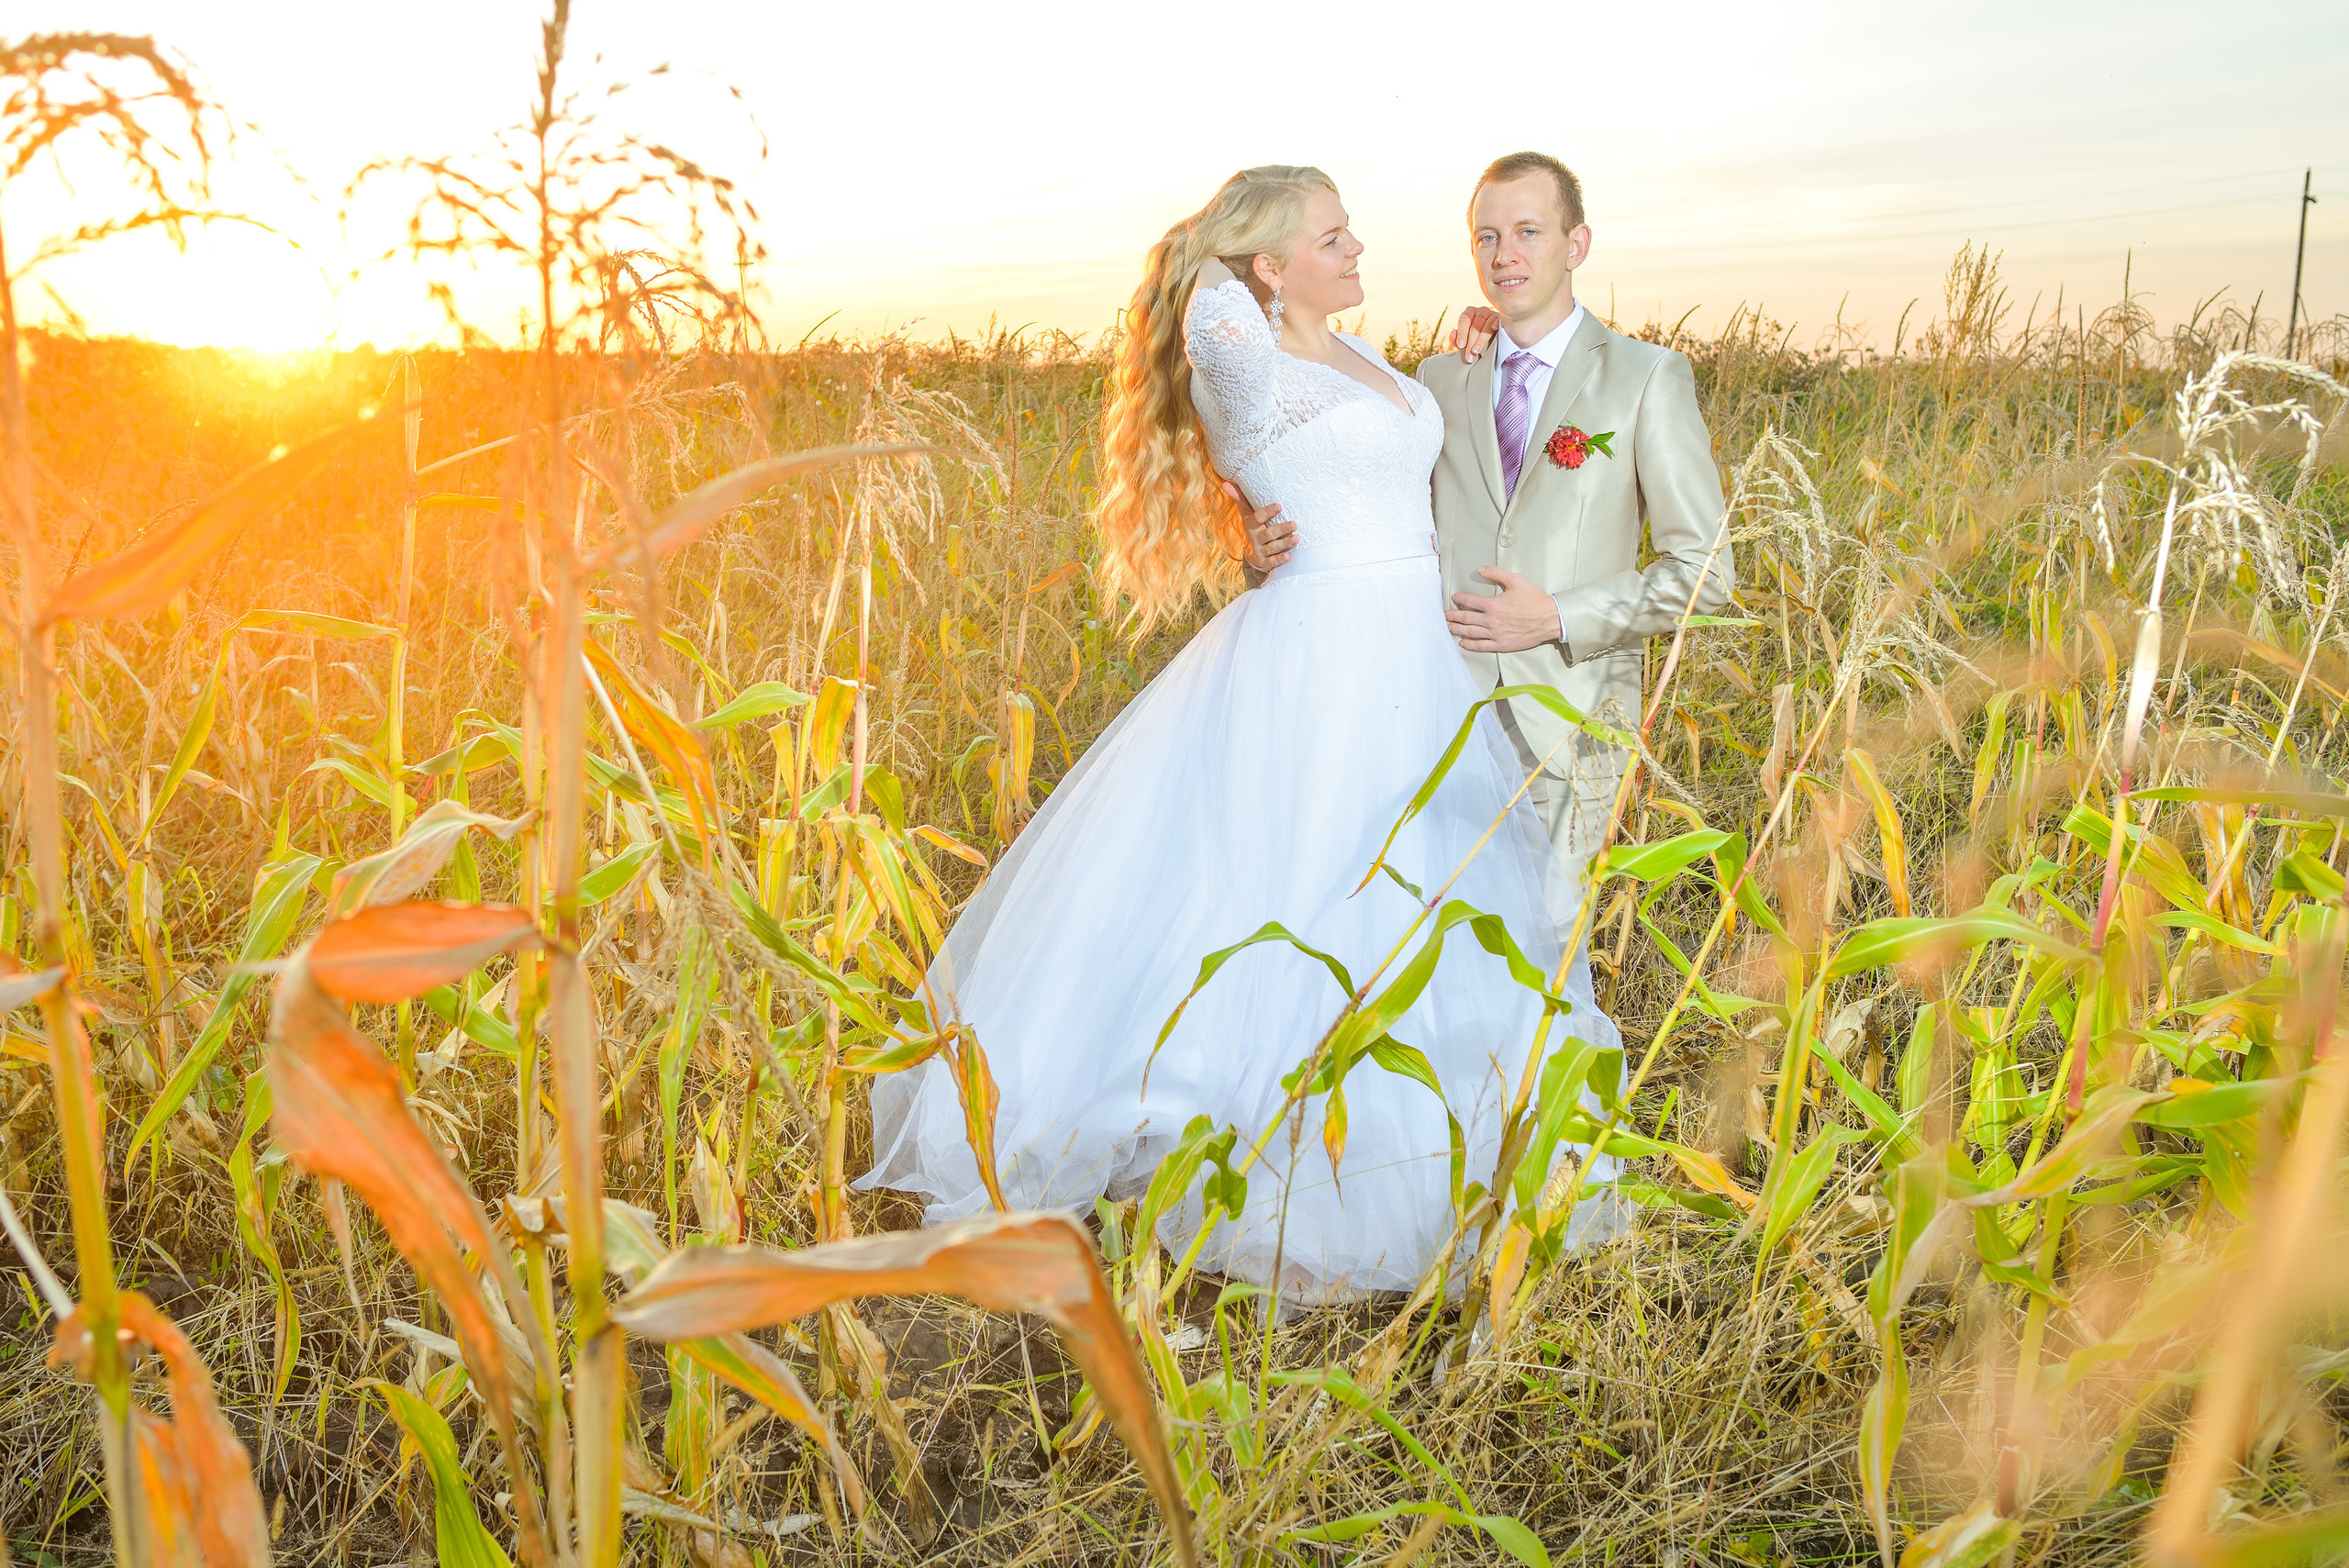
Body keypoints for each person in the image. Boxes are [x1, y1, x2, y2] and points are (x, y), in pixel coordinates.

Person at [853, 165, 1620, 1309]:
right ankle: (1290, 1169)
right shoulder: (1238, 349)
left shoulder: (1361, 359)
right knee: (1310, 892)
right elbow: (1207, 314)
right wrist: (1218, 254)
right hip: (1321, 655)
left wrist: (1460, 352)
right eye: (1328, 234)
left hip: (1415, 648)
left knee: (1428, 889)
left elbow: (1396, 449)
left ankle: (1466, 1131)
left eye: (1349, 226)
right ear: (1266, 266)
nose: (1358, 246)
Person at [1244, 152, 1734, 881]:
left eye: (1529, 232)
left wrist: (1557, 617)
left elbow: (1706, 573)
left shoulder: (1645, 378)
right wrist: (1256, 544)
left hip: (1573, 724)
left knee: (1549, 963)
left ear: (1577, 245)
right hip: (1433, 717)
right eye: (1486, 237)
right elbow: (1373, 509)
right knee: (1433, 944)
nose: (1505, 256)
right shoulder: (1435, 382)